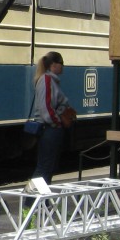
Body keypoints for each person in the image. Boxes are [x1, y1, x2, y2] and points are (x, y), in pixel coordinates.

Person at [31, 51, 73, 182]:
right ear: (53, 65)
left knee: (49, 166)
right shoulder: (47, 80)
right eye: (61, 63)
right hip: (49, 128)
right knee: (45, 166)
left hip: (50, 128)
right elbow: (47, 108)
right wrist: (57, 122)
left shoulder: (50, 80)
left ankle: (41, 200)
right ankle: (32, 199)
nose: (63, 66)